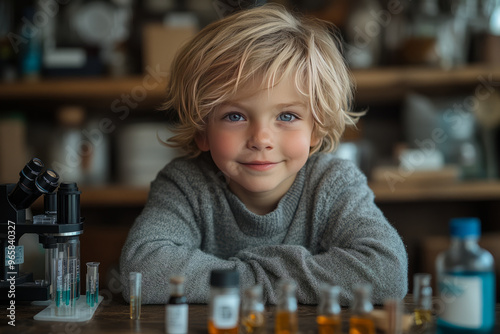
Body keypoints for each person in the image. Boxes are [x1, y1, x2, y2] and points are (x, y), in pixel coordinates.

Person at [120, 3, 407, 305]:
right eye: (234, 116)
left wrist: (239, 280)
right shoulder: (186, 183)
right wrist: (274, 281)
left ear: (317, 128)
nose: (261, 139)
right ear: (202, 130)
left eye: (286, 116)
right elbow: (141, 271)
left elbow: (386, 274)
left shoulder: (333, 182)